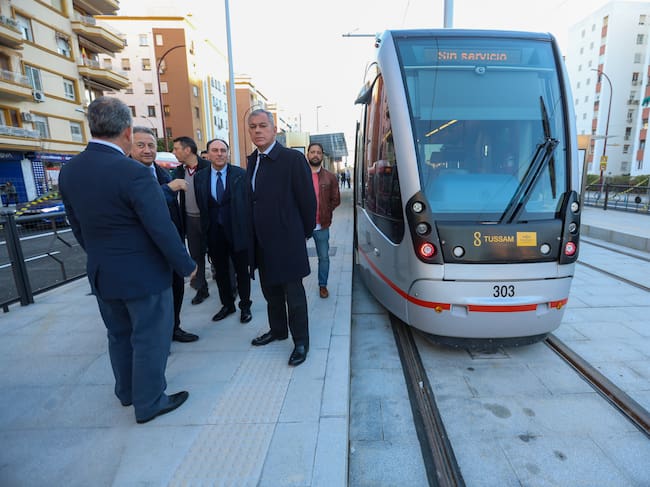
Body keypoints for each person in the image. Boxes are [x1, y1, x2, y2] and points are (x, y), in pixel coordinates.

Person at [59, 96, 196, 424]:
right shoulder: (132, 172)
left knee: (118, 335)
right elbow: (160, 227)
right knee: (150, 338)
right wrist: (186, 265)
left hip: (103, 273)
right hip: (144, 276)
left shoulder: (70, 171)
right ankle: (149, 402)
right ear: (126, 132)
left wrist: (100, 256)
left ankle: (127, 392)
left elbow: (77, 226)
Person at [247, 109, 316, 367]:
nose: (257, 130)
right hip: (262, 243)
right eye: (253, 126)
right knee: (270, 293)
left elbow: (308, 202)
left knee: (294, 296)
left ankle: (301, 342)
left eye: (262, 125)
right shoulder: (252, 160)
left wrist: (300, 233)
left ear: (274, 130)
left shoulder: (292, 159)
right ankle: (278, 331)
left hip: (288, 242)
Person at [130, 126, 199, 343]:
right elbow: (142, 206)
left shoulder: (161, 172)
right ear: (129, 147)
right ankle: (155, 339)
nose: (147, 150)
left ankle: (173, 328)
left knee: (176, 288)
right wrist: (169, 189)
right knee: (151, 298)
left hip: (171, 244)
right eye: (140, 145)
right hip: (144, 250)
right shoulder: (126, 175)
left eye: (151, 145)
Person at [195, 138, 253, 324]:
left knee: (242, 272)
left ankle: (245, 306)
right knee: (220, 272)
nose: (219, 154)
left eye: (223, 150)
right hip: (214, 233)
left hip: (238, 231)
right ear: (208, 154)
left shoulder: (241, 174)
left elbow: (248, 203)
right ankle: (227, 305)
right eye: (215, 150)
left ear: (228, 153)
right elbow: (202, 206)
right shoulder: (200, 177)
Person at [172, 136, 211, 305]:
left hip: (208, 219)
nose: (174, 152)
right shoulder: (179, 172)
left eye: (176, 149)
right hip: (189, 219)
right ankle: (201, 289)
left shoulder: (208, 167)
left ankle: (231, 287)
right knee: (196, 256)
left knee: (220, 254)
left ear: (187, 150)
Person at [306, 142, 340, 299]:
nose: (315, 155)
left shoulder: (330, 177)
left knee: (324, 257)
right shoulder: (300, 174)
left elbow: (336, 199)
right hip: (302, 225)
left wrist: (326, 210)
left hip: (322, 225)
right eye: (312, 152)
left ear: (322, 155)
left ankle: (323, 285)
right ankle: (295, 286)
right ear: (307, 154)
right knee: (296, 257)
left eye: (318, 152)